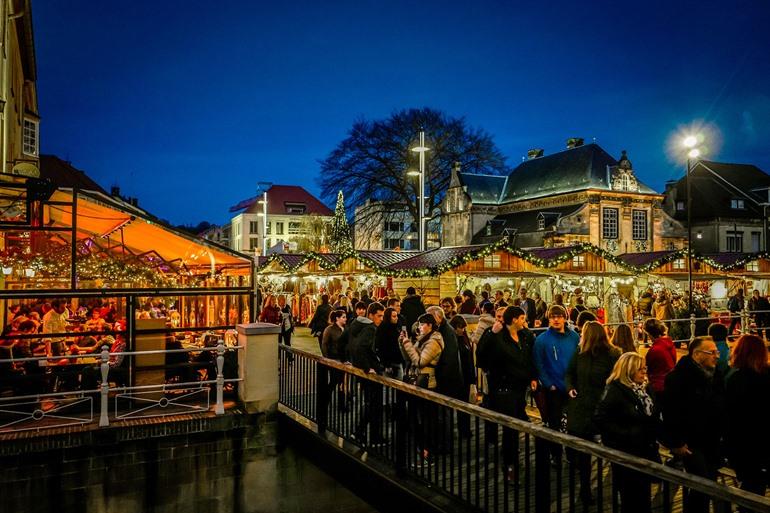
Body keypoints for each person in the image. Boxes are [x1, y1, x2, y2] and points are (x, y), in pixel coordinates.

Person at [662, 336, 726, 513]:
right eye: (711, 352)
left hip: (712, 439)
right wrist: (676, 442)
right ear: (697, 354)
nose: (717, 356)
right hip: (691, 442)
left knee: (709, 483)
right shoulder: (678, 378)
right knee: (701, 485)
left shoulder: (716, 374)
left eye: (716, 352)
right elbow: (671, 412)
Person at [594, 352, 660, 513]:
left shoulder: (645, 389)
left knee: (643, 494)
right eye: (640, 369)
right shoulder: (615, 390)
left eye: (645, 368)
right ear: (628, 371)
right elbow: (601, 419)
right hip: (626, 451)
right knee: (631, 496)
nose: (644, 372)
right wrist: (627, 433)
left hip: (645, 449)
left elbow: (653, 416)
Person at [475, 306, 536, 480]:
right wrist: (491, 334)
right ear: (514, 319)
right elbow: (481, 356)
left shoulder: (525, 336)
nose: (525, 322)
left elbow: (529, 357)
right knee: (510, 426)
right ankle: (510, 463)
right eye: (522, 318)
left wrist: (532, 376)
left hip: (520, 387)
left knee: (515, 422)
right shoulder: (496, 335)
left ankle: (511, 454)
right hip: (503, 387)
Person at [566, 321, 621, 503]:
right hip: (585, 408)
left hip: (603, 408)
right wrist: (570, 387)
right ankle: (586, 490)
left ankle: (615, 489)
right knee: (585, 451)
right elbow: (570, 373)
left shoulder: (612, 355)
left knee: (611, 450)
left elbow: (616, 380)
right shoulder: (580, 353)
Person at [725, 334, 770, 504]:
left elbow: (730, 413)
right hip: (764, 439)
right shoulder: (766, 375)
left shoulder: (734, 379)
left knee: (751, 488)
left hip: (743, 443)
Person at [533, 304, 580, 460]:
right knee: (554, 422)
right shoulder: (541, 340)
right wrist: (548, 384)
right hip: (554, 388)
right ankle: (556, 454)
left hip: (572, 387)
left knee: (573, 422)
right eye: (553, 317)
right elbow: (539, 364)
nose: (556, 320)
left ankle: (573, 454)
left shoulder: (574, 337)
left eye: (559, 316)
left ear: (565, 318)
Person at [350, 303, 385, 445]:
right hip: (370, 370)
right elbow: (361, 347)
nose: (381, 319)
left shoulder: (357, 325)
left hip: (360, 367)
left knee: (371, 404)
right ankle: (365, 433)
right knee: (374, 404)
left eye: (382, 316)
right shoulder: (370, 328)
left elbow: (349, 344)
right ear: (370, 315)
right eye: (379, 316)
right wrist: (367, 367)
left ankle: (361, 433)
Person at [401, 313, 444, 390]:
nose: (419, 327)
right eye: (419, 325)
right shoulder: (422, 339)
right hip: (417, 379)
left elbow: (420, 363)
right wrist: (402, 343)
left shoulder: (434, 342)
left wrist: (407, 344)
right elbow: (409, 358)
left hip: (426, 382)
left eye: (422, 325)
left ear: (430, 325)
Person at [643, 318, 675, 407]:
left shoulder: (655, 350)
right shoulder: (669, 344)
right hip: (670, 382)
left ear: (649, 334)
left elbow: (647, 367)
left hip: (658, 386)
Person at [449, 315, 476, 407]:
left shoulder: (464, 337)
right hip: (460, 376)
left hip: (467, 375)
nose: (463, 330)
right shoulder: (452, 340)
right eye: (461, 328)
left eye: (464, 328)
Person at [376, 307, 405, 379]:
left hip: (398, 361)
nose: (396, 318)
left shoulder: (398, 327)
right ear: (388, 317)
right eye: (394, 316)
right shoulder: (383, 329)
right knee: (387, 383)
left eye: (396, 316)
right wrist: (386, 365)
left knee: (399, 383)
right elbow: (381, 347)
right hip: (388, 364)